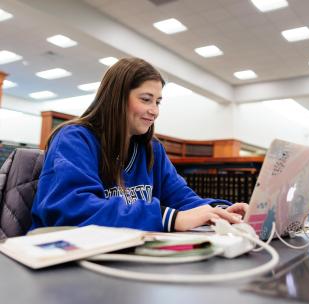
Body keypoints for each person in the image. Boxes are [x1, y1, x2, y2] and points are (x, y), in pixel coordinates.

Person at [31, 57, 248, 232]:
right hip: (63, 263)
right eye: (146, 99)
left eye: (158, 101)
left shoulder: (152, 149)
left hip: (123, 260)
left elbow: (182, 198)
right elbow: (73, 209)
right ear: (116, 98)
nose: (155, 110)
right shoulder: (73, 139)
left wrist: (220, 212)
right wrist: (169, 218)